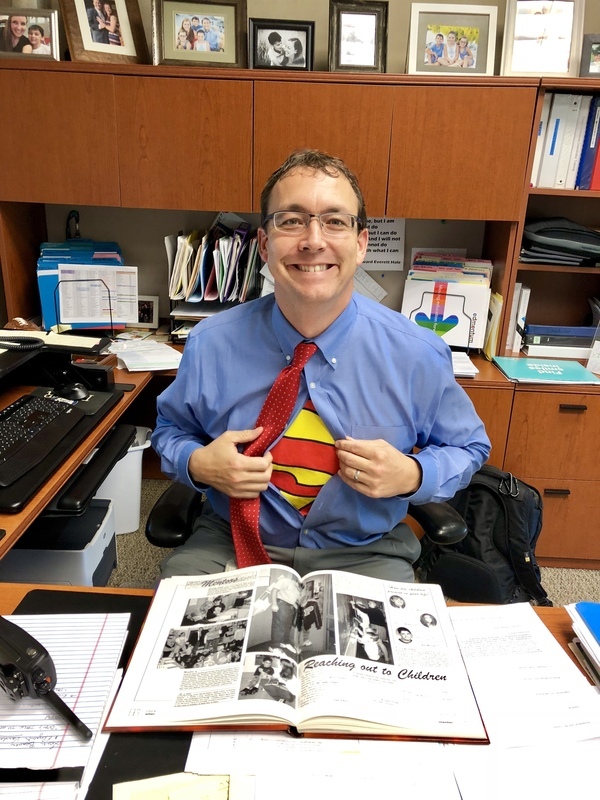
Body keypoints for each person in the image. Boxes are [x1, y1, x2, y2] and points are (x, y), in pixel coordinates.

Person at [152, 148, 490, 582]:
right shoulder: (210, 343)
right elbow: (170, 431)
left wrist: (413, 474)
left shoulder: (416, 354)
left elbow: (470, 448)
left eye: (335, 221)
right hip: (231, 541)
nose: (313, 240)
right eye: (291, 221)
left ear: (361, 242)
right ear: (264, 244)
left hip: (365, 552)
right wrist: (198, 464)